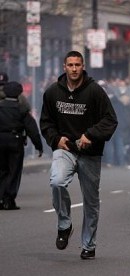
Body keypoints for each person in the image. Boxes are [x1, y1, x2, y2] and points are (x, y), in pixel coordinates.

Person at [40, 51, 118, 260]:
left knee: (90, 201)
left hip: (90, 153)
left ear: (83, 66)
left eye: (77, 65)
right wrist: (56, 139)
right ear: (64, 67)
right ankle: (64, 225)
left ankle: (88, 245)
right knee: (57, 182)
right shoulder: (52, 92)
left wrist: (90, 135)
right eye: (70, 65)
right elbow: (46, 122)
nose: (74, 69)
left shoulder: (95, 91)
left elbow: (110, 120)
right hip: (64, 149)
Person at [0, 81, 43, 210]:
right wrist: (38, 146)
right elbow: (32, 129)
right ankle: (8, 199)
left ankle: (0, 197)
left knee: (1, 170)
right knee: (14, 171)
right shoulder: (22, 109)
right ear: (19, 93)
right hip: (15, 141)